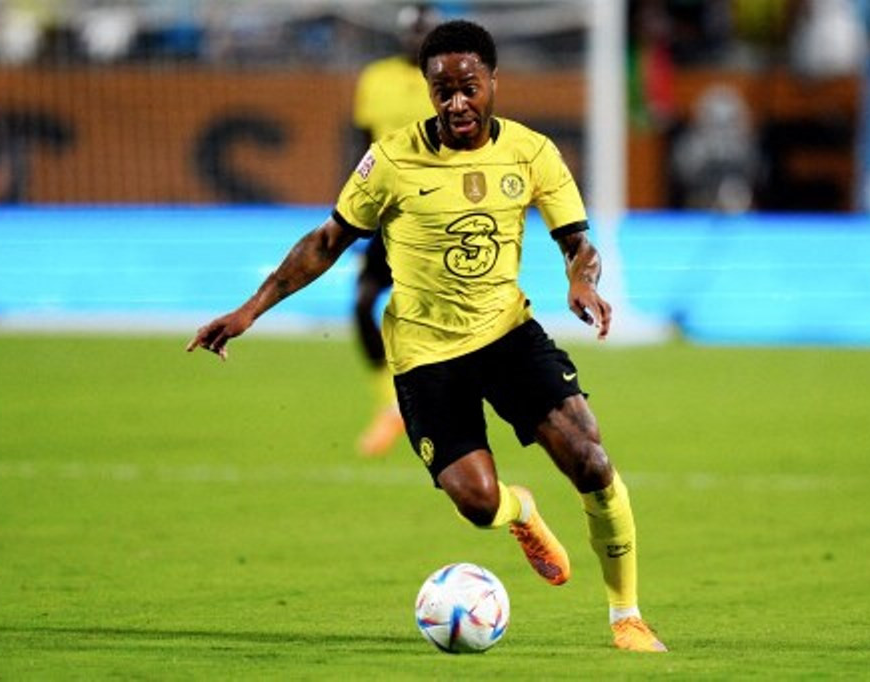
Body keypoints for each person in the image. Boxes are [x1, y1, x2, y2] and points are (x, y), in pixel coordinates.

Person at [188, 19, 668, 653]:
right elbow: (328, 241)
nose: (457, 103)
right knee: (477, 503)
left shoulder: (531, 153)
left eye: (469, 87)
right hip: (425, 356)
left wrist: (581, 281)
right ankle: (520, 512)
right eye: (443, 91)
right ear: (428, 90)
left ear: (492, 81)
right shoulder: (390, 160)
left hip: (508, 335)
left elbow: (578, 243)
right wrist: (251, 310)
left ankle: (626, 616)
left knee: (591, 460)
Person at [350, 4, 439, 457]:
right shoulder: (375, 79)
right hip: (385, 211)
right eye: (412, 31)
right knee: (364, 302)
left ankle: (428, 410)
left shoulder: (447, 83)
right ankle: (389, 406)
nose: (417, 39)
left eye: (425, 32)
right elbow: (362, 144)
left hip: (434, 214)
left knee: (431, 317)